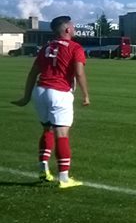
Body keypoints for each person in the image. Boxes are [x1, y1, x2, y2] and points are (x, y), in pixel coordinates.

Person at [10, 16, 90, 188]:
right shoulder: (75, 47)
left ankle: (43, 169)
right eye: (72, 26)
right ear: (67, 29)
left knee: (47, 128)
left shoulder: (46, 47)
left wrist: (26, 97)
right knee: (61, 134)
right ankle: (64, 178)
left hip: (40, 92)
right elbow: (79, 73)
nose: (74, 28)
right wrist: (85, 95)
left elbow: (33, 73)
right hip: (59, 93)